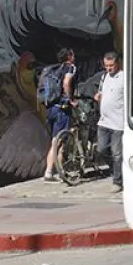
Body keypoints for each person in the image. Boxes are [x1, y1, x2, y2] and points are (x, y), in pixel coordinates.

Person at [43, 48, 77, 183]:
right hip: (62, 108)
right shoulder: (70, 68)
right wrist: (71, 99)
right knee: (59, 142)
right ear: (70, 56)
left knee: (55, 140)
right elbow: (66, 83)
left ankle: (56, 172)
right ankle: (51, 172)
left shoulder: (53, 69)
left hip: (51, 108)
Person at [95, 51, 124, 192]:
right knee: (101, 150)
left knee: (117, 153)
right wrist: (98, 96)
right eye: (106, 65)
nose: (109, 68)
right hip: (104, 121)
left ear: (117, 63)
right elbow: (102, 92)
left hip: (118, 122)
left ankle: (118, 181)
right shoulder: (104, 76)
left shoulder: (124, 77)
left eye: (111, 65)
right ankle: (117, 171)